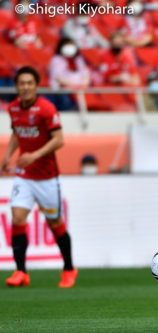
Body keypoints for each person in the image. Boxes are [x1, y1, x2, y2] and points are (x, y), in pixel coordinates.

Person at [1, 66, 78, 288]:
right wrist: (7, 156)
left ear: (36, 85)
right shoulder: (14, 108)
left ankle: (69, 269)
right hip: (24, 176)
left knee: (55, 223)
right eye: (21, 83)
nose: (25, 87)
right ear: (16, 86)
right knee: (17, 218)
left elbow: (59, 139)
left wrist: (33, 155)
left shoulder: (46, 108)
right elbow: (17, 132)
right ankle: (21, 272)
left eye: (29, 83)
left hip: (46, 177)